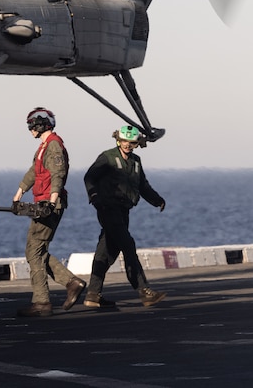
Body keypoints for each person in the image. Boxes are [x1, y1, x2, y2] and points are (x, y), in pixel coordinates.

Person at [12, 107, 88, 317]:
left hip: (48, 204)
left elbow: (57, 174)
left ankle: (43, 302)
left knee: (34, 251)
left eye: (31, 126)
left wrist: (51, 201)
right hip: (42, 202)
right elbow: (34, 171)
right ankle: (70, 283)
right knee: (36, 250)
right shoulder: (44, 146)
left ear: (39, 124)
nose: (29, 130)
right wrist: (19, 192)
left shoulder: (53, 145)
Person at [82, 125, 167, 309]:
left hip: (123, 210)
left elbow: (142, 185)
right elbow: (89, 177)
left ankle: (93, 295)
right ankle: (144, 291)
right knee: (128, 245)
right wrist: (94, 197)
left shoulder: (136, 161)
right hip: (108, 208)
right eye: (124, 141)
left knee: (106, 252)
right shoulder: (107, 157)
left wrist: (157, 200)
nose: (128, 145)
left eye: (131, 142)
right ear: (118, 140)